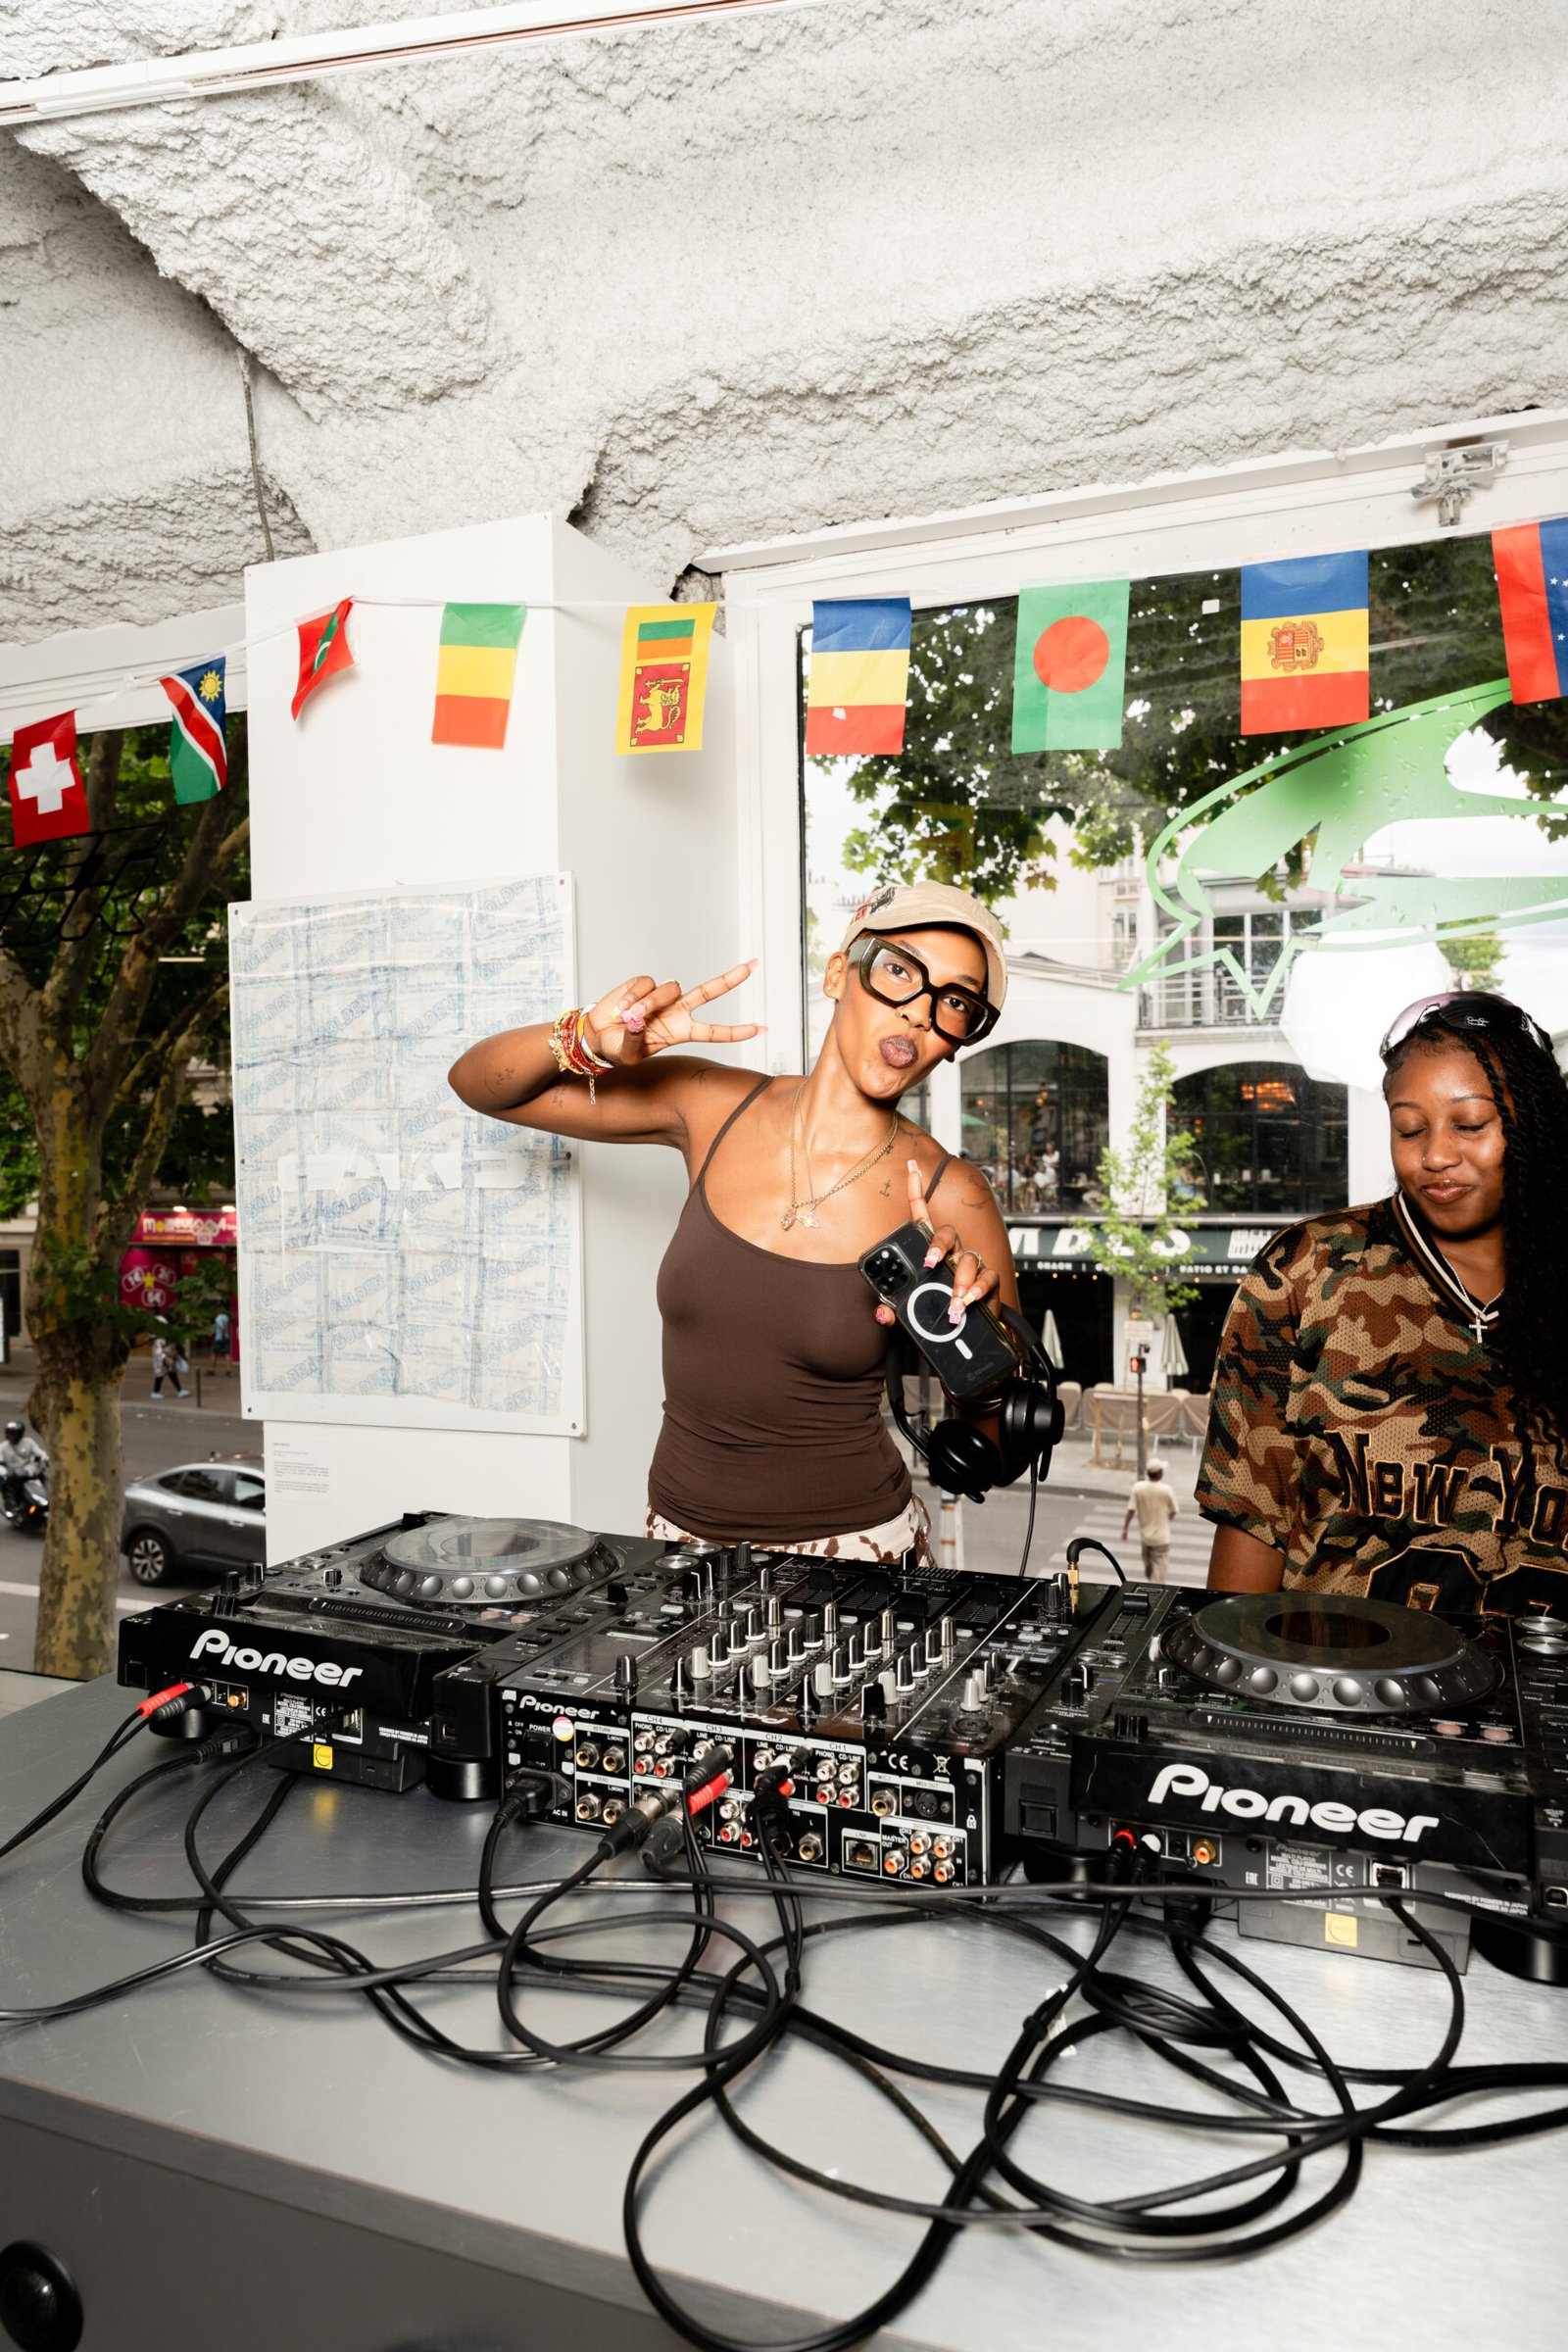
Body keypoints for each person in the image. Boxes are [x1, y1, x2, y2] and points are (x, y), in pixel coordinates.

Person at [449, 881, 1019, 1563]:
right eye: (900, 970)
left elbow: (997, 1450)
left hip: (860, 1555)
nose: (920, 1012)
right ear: (838, 974)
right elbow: (480, 1085)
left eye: (955, 1002)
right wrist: (587, 1040)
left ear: (957, 1040)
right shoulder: (713, 1106)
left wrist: (971, 1339)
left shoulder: (954, 1196)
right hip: (677, 1544)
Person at [1200, 990, 1568, 1616]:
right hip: (1326, 1673)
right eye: (1410, 1128)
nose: (1436, 1156)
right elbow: (1251, 1533)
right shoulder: (1306, 1271)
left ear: (1533, 1123)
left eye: (1470, 1124)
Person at [1121, 1458, 1177, 1582]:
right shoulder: (1166, 1490)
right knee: (1157, 1579)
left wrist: (1125, 1529)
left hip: (1146, 1539)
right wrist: (1169, 1517)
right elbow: (1174, 1510)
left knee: (1150, 1571)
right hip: (1161, 1540)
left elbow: (1130, 1510)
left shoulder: (1138, 1488)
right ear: (1159, 1473)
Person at [0, 1419, 46, 1519]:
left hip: (29, 1471)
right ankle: (12, 1509)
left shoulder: (29, 1442)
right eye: (9, 1433)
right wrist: (5, 1471)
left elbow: (40, 1453)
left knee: (44, 1481)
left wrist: (45, 1459)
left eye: (13, 1434)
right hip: (13, 1474)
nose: (11, 1436)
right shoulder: (3, 1447)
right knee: (10, 1489)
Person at [212, 1308, 232, 1374]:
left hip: (219, 1338)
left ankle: (212, 1369)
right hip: (226, 1338)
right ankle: (229, 1369)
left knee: (214, 1353)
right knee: (227, 1353)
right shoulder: (226, 1317)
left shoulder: (218, 1318)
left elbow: (222, 1327)